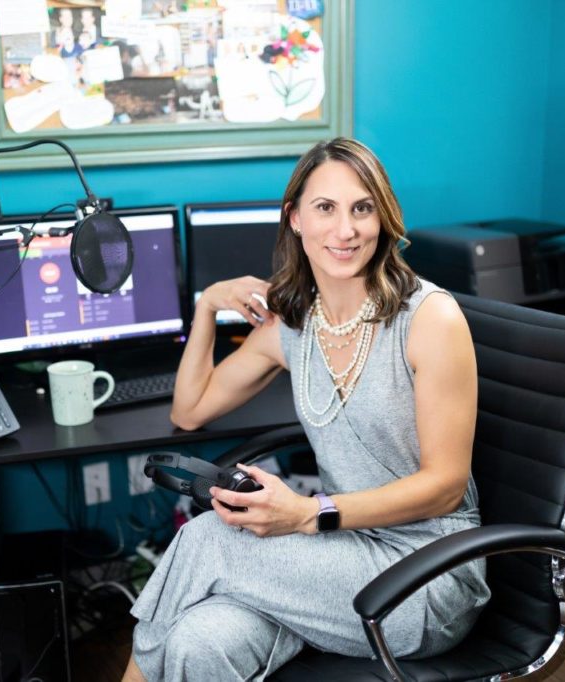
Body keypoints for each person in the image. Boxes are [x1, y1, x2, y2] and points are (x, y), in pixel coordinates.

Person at [123, 138, 490, 681]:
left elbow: (446, 486)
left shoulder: (430, 319)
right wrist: (206, 306)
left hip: (425, 576)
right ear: (294, 218)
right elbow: (191, 410)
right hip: (332, 557)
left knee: (207, 540)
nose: (345, 230)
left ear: (383, 218)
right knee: (198, 643)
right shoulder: (294, 326)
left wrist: (307, 513)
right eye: (326, 208)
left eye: (362, 208)